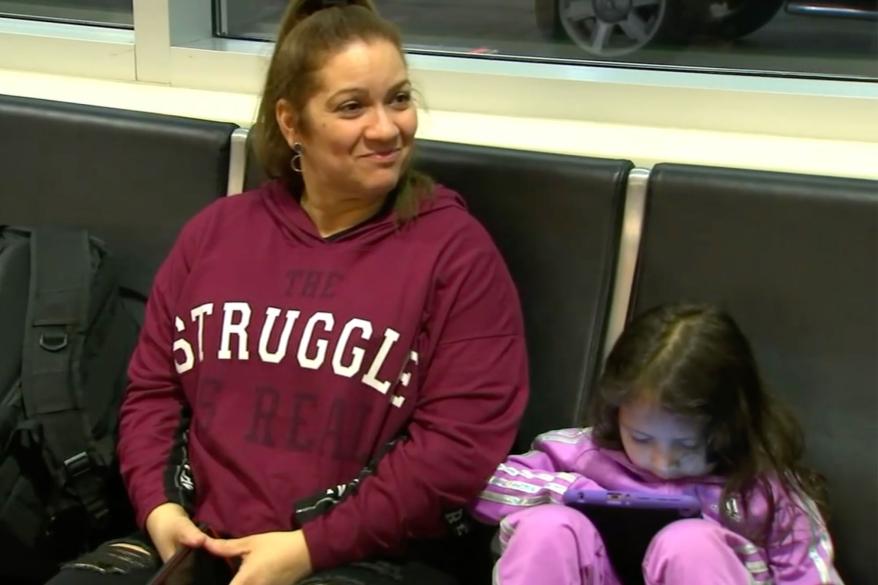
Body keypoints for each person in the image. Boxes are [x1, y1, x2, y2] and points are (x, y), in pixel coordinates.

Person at [46, 1, 528, 584]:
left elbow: (457, 450)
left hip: (365, 557)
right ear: (293, 123)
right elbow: (154, 392)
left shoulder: (456, 252)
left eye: (398, 99)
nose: (386, 127)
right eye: (353, 106)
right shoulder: (218, 233)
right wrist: (160, 508)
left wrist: (306, 548)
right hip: (198, 538)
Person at [471, 303, 843, 585]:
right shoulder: (585, 452)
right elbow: (482, 485)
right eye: (642, 438)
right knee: (549, 529)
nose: (662, 462)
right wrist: (571, 492)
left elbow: (811, 574)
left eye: (686, 444)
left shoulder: (764, 491)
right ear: (616, 414)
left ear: (729, 425)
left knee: (689, 545)